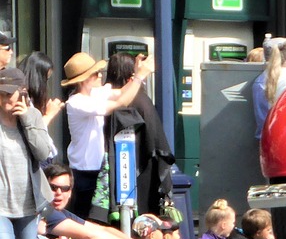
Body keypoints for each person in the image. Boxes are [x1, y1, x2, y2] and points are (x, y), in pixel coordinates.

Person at [61, 51, 154, 218]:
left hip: (97, 168)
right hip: (84, 171)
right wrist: (140, 76)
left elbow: (122, 92)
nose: (100, 76)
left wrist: (137, 72)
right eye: (96, 73)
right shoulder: (77, 102)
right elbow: (121, 102)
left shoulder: (94, 93)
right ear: (84, 79)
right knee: (82, 218)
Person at [0, 67, 56, 239]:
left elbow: (44, 154)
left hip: (28, 204)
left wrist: (28, 122)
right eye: (2, 94)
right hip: (1, 205)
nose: (7, 100)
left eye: (12, 94)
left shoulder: (31, 116)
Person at [98, 53, 175, 218]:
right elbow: (157, 143)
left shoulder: (104, 99)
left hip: (107, 172)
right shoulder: (140, 101)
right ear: (129, 75)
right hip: (142, 172)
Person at [17, 51, 64, 128]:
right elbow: (34, 132)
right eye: (45, 79)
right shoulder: (21, 98)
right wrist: (49, 114)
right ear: (38, 77)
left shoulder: (28, 96)